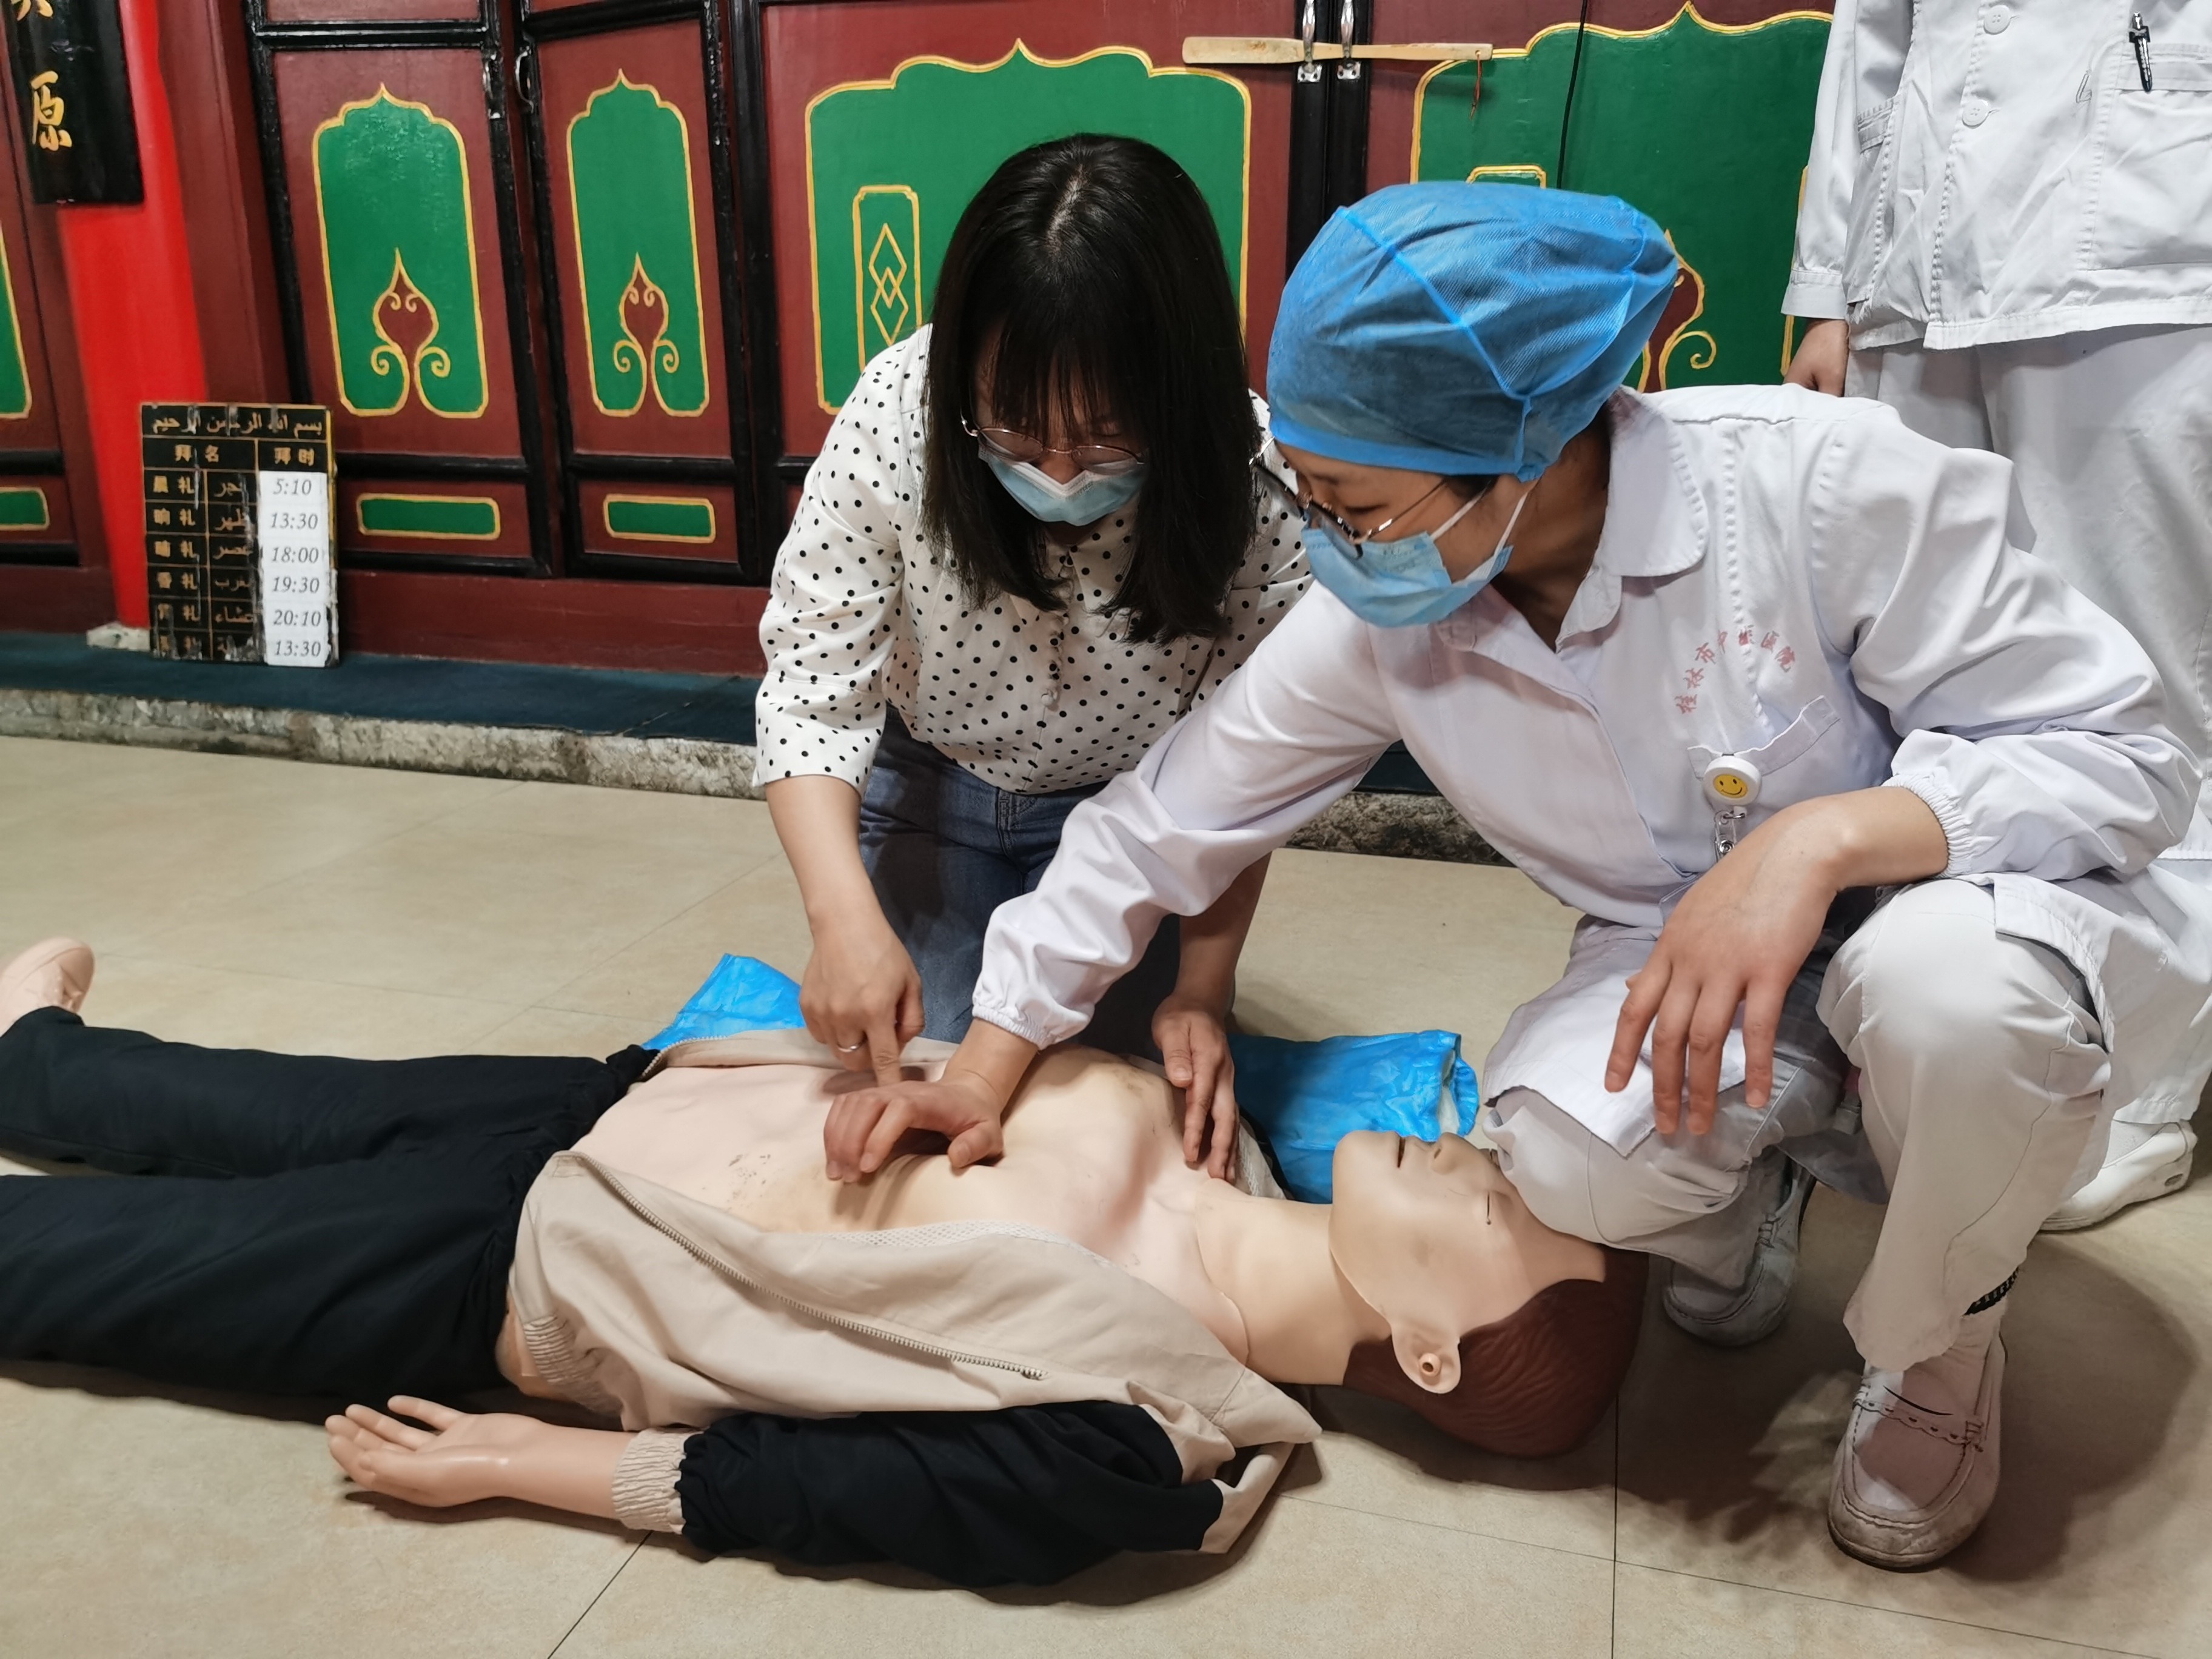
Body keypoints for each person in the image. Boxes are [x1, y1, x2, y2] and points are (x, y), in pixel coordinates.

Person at [817, 184, 2212, 1571]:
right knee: (1566, 1157)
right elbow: (1160, 823)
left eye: (1359, 508)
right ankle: (1750, 1196)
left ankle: (1942, 1345)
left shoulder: (1821, 487)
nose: (1329, 543)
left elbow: (2131, 756)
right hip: (1684, 956)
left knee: (1947, 1003)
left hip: (1952, 907)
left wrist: (1823, 840)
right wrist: (987, 1065)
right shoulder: (1392, 613)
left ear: (1526, 449)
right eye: (1309, 497)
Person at [0, 936, 1644, 1589]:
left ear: (1430, 1351)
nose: (1480, 1167)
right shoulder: (1232, 1133)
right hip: (617, 1102)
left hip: (521, 1277)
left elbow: (830, 1496)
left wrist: (524, 1463)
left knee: (98, 1262)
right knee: (261, 1102)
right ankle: (37, 1060)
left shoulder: (1151, 1444)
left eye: (1501, 1219)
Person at [756, 134, 1309, 1175]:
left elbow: (1247, 775)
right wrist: (842, 919)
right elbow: (813, 689)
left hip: (1136, 819)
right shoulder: (899, 412)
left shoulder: (1256, 477)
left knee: (1104, 1116)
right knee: (917, 1091)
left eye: (1105, 440)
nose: (1058, 476)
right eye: (1012, 430)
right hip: (932, 789)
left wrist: (1203, 990)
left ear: (1180, 393)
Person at [1781, 0, 2212, 1226]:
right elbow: (1872, 34)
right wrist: (1830, 284)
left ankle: (2144, 1088)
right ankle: (1943, 1053)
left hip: (2147, 248)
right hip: (1917, 257)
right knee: (1925, 673)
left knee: (2151, 686)